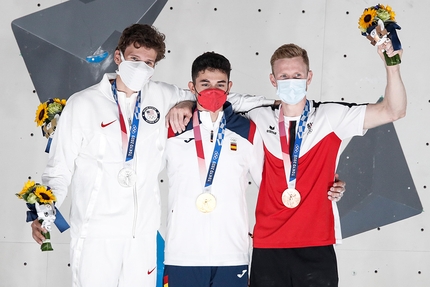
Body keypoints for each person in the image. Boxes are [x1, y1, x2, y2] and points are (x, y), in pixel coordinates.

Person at [30, 24, 275, 287]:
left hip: (144, 237)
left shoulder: (162, 95)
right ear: (118, 57)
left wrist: (281, 105)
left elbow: (211, 97)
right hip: (96, 234)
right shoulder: (83, 104)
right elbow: (59, 169)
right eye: (134, 59)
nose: (141, 68)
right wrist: (43, 211)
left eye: (149, 62)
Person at [162, 52, 347, 287]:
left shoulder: (248, 130)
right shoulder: (172, 126)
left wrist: (328, 184)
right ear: (192, 87)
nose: (213, 91)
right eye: (205, 84)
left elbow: (276, 178)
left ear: (230, 87)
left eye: (220, 85)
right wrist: (185, 103)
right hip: (181, 253)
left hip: (233, 254)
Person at [247, 42, 406, 287]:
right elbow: (211, 107)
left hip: (316, 243)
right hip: (269, 244)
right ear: (273, 79)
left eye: (297, 75)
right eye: (284, 76)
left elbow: (393, 111)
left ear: (309, 77)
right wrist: (184, 105)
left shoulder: (331, 116)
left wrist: (392, 67)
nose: (291, 81)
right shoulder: (257, 116)